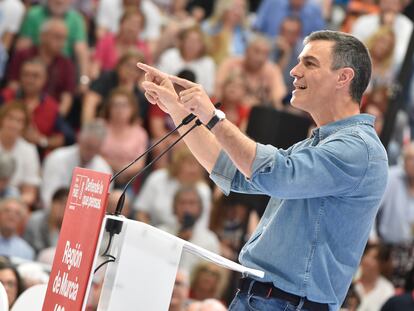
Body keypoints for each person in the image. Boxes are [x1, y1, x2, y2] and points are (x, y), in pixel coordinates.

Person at [138, 29, 388, 310]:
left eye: (309, 63)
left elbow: (277, 175)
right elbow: (231, 170)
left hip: (286, 303)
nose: (294, 71)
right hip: (266, 298)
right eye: (298, 62)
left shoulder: (358, 148)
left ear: (344, 77)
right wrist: (178, 109)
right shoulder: (318, 144)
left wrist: (214, 117)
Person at [5, 18, 76, 117]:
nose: (62, 43)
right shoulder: (23, 55)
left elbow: (67, 98)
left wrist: (54, 119)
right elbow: (13, 85)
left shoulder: (67, 64)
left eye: (64, 38)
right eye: (57, 37)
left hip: (49, 114)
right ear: (43, 36)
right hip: (19, 109)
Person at [41, 120, 112, 206]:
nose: (90, 151)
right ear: (79, 138)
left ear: (100, 147)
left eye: (95, 148)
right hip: (53, 212)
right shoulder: (57, 158)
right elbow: (47, 196)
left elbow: (99, 206)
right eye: (88, 146)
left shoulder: (104, 170)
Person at [158, 186, 220, 274]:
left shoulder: (210, 240)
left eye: (192, 203)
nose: (186, 208)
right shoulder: (161, 233)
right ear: (174, 206)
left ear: (200, 207)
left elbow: (213, 273)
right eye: (182, 203)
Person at [215, 34, 286, 109]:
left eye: (265, 53)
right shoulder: (230, 64)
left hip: (258, 115)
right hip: (229, 112)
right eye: (256, 51)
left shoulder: (272, 71)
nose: (260, 58)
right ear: (247, 50)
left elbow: (279, 100)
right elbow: (217, 92)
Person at [377, 142, 414, 244]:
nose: (411, 163)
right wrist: (371, 240)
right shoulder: (391, 176)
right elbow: (371, 208)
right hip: (386, 245)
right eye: (408, 158)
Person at [23, 188, 69, 254]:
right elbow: (28, 248)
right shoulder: (35, 220)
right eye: (61, 203)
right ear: (52, 202)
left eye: (67, 206)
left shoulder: (68, 229)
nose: (63, 208)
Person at [354, 243, 395, 311]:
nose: (367, 260)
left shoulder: (387, 289)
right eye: (366, 255)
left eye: (374, 258)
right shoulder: (350, 283)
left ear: (382, 264)